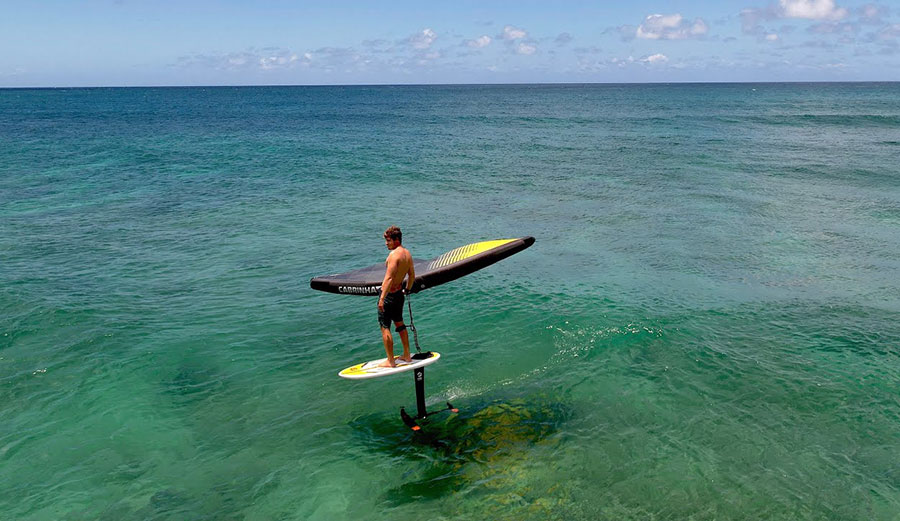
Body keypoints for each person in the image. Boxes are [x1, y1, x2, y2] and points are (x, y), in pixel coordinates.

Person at [377, 226, 415, 367]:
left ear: (396, 240)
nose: (386, 243)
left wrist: (382, 299)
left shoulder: (394, 255)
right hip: (399, 295)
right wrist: (407, 290)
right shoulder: (407, 254)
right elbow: (412, 275)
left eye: (388, 240)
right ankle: (406, 355)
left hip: (389, 295)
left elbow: (389, 279)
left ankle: (390, 360)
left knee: (384, 326)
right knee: (399, 323)